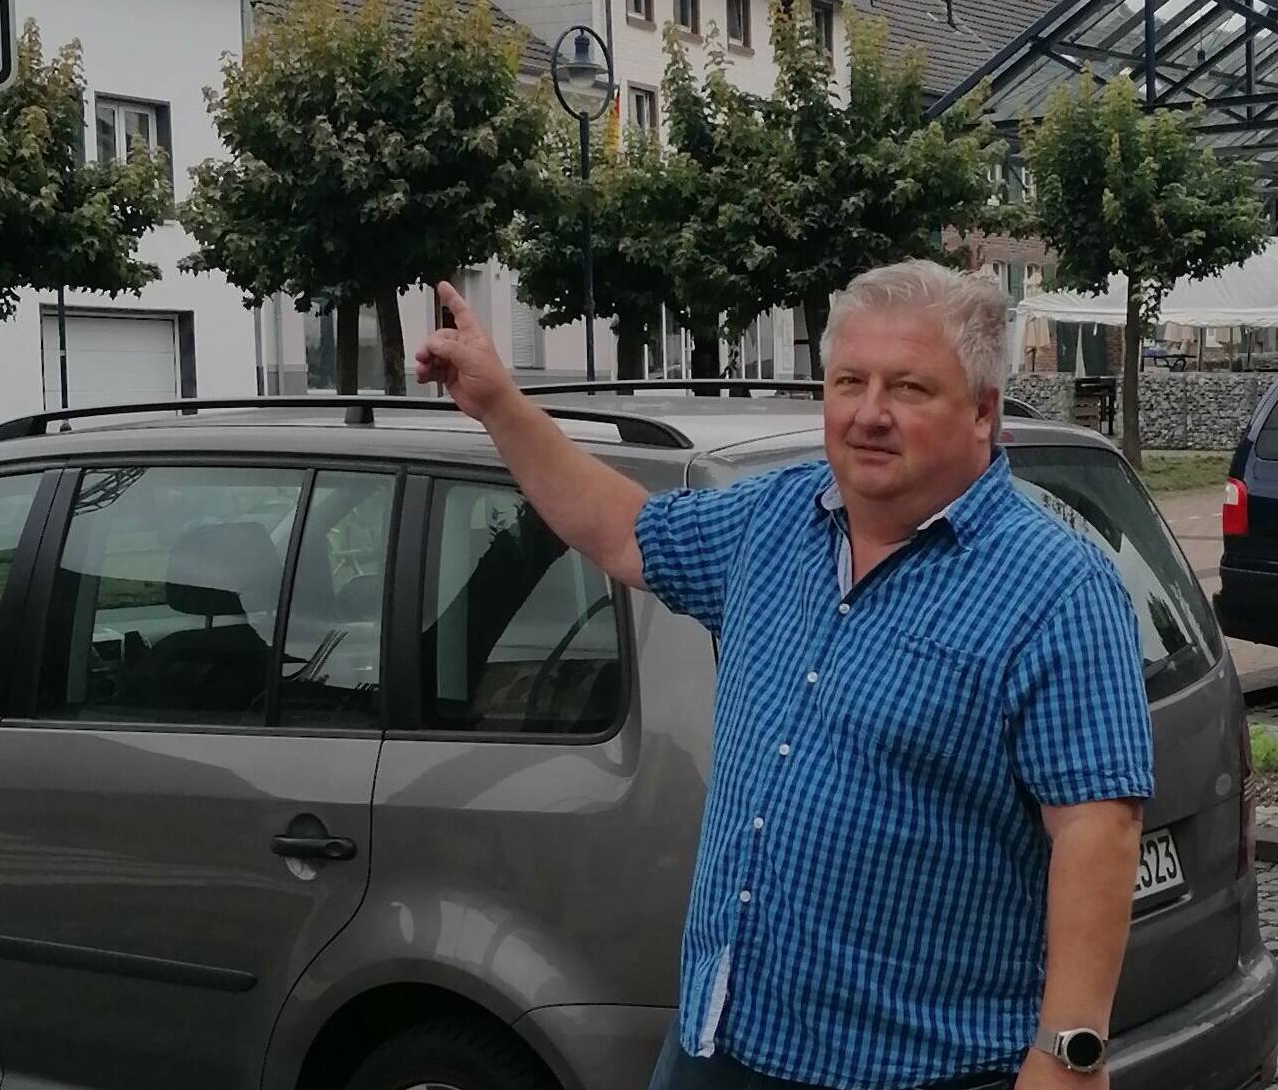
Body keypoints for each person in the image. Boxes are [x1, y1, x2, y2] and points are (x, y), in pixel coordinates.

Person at [414, 260, 1153, 1090]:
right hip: (720, 1041)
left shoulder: (1054, 588)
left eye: (908, 388)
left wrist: (1069, 1056)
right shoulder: (774, 519)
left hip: (916, 1070)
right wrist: (498, 404)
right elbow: (623, 532)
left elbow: (1097, 831)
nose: (869, 413)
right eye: (848, 381)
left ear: (982, 411)